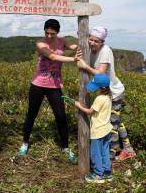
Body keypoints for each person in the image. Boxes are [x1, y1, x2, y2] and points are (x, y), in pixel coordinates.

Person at [18, 19, 78, 163]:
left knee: (61, 116)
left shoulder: (62, 41)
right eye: (47, 32)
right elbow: (51, 56)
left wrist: (84, 39)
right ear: (44, 31)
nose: (49, 36)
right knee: (31, 115)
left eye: (52, 33)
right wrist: (73, 60)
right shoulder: (40, 43)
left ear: (57, 32)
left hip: (55, 85)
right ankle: (25, 143)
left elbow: (75, 45)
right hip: (38, 84)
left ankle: (65, 147)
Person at [76, 26, 136, 162]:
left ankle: (111, 155)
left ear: (102, 42)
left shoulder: (105, 51)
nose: (92, 43)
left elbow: (101, 72)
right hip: (104, 91)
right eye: (90, 39)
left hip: (113, 93)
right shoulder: (89, 50)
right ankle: (128, 149)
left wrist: (85, 66)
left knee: (112, 124)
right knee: (117, 120)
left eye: (96, 41)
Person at [74, 74, 113, 183]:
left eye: (96, 88)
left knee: (95, 153)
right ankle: (107, 173)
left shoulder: (99, 99)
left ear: (102, 88)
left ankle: (98, 174)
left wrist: (79, 106)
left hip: (98, 131)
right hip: (106, 129)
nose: (95, 90)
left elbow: (90, 112)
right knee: (104, 151)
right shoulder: (109, 97)